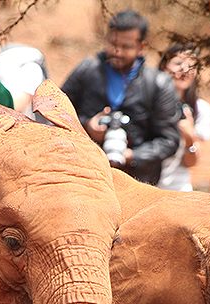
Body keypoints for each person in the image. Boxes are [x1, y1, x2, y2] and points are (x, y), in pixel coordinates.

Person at [61, 9, 181, 185]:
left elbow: (169, 141)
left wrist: (131, 156)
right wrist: (87, 126)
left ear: (141, 48)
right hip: (85, 178)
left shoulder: (158, 84)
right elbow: (56, 113)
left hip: (137, 184)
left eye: (126, 47)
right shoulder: (87, 71)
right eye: (113, 44)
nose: (117, 52)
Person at [156, 44, 210, 192]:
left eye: (191, 65)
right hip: (146, 187)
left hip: (178, 191)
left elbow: (191, 163)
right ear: (163, 66)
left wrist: (189, 137)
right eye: (178, 63)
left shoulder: (201, 109)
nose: (185, 70)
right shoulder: (147, 102)